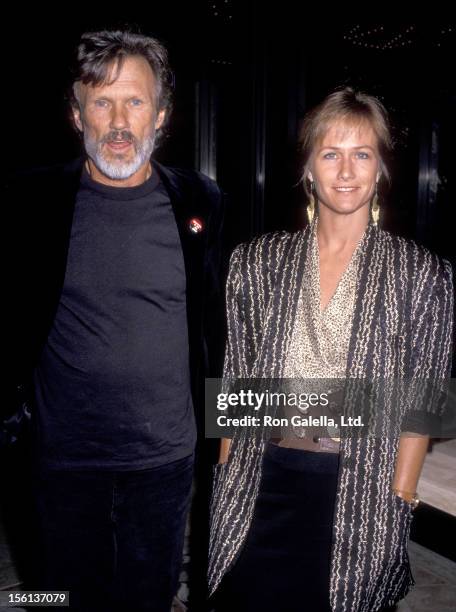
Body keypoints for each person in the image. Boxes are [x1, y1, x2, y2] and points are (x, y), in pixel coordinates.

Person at [208, 88, 453, 611]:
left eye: (362, 154)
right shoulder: (256, 262)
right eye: (331, 153)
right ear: (309, 169)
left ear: (381, 167)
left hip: (360, 489)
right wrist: (224, 477)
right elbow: (236, 383)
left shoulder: (422, 275)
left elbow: (425, 403)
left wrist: (402, 497)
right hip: (259, 476)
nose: (346, 171)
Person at [5, 30, 224, 612]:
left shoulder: (200, 202)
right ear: (77, 115)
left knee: (148, 598)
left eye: (135, 101)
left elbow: (217, 323)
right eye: (101, 101)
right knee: (58, 596)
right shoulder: (27, 203)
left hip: (164, 462)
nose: (119, 120)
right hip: (61, 461)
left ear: (162, 115)